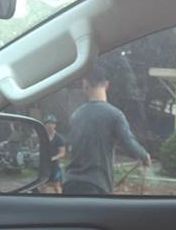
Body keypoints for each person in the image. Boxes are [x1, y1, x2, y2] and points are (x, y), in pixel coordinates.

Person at [63, 65, 150, 195]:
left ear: (85, 86)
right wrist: (144, 156)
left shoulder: (76, 115)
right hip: (96, 186)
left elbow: (69, 146)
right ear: (107, 85)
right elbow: (128, 143)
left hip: (70, 184)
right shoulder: (114, 115)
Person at [40, 115, 67, 194]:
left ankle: (60, 201)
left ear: (55, 125)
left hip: (55, 166)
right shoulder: (41, 137)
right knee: (43, 185)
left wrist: (53, 158)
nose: (50, 125)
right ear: (44, 125)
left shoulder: (59, 138)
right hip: (44, 165)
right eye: (48, 123)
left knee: (56, 186)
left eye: (52, 123)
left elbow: (62, 153)